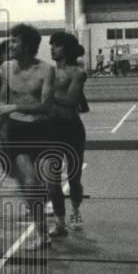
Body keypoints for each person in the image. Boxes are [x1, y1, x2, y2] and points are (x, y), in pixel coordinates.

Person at [0, 23, 55, 251]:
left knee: (50, 183)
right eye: (10, 40)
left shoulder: (46, 70)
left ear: (28, 46)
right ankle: (43, 234)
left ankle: (53, 215)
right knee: (30, 183)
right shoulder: (7, 68)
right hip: (18, 133)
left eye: (15, 41)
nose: (10, 44)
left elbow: (46, 106)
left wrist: (12, 107)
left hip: (42, 131)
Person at [48, 32, 87, 234]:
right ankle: (60, 223)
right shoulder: (47, 73)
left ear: (67, 49)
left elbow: (71, 101)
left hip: (72, 129)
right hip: (52, 129)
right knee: (52, 181)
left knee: (74, 178)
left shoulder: (76, 73)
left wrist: (46, 95)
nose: (52, 48)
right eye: (51, 45)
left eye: (57, 45)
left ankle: (76, 210)